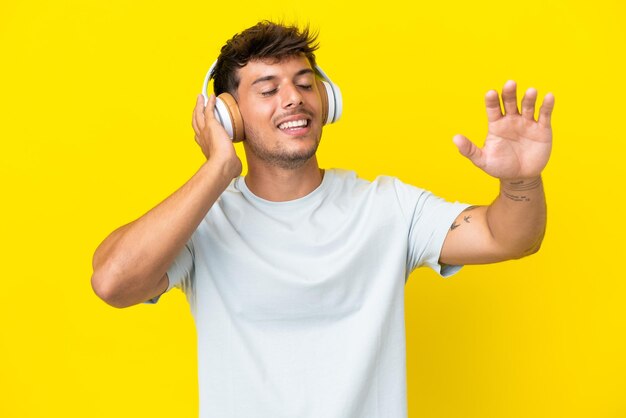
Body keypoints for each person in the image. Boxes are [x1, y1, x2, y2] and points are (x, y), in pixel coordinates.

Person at [91, 21, 554, 418]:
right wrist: (217, 166)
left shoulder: (387, 207)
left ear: (328, 100)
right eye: (269, 89)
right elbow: (112, 282)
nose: (293, 99)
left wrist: (522, 182)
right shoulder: (203, 224)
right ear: (226, 117)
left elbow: (504, 237)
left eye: (305, 83)